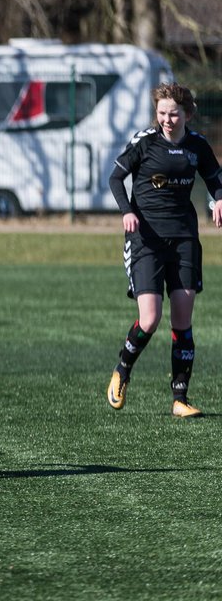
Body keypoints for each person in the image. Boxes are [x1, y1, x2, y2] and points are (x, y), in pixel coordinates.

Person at [106, 82, 222, 417]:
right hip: (146, 240)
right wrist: (127, 211)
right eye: (161, 113)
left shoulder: (197, 145)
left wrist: (218, 199)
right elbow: (116, 178)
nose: (167, 120)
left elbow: (215, 179)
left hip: (184, 238)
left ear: (187, 113)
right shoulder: (145, 142)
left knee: (183, 318)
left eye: (173, 114)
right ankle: (123, 370)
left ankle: (180, 399)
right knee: (151, 317)